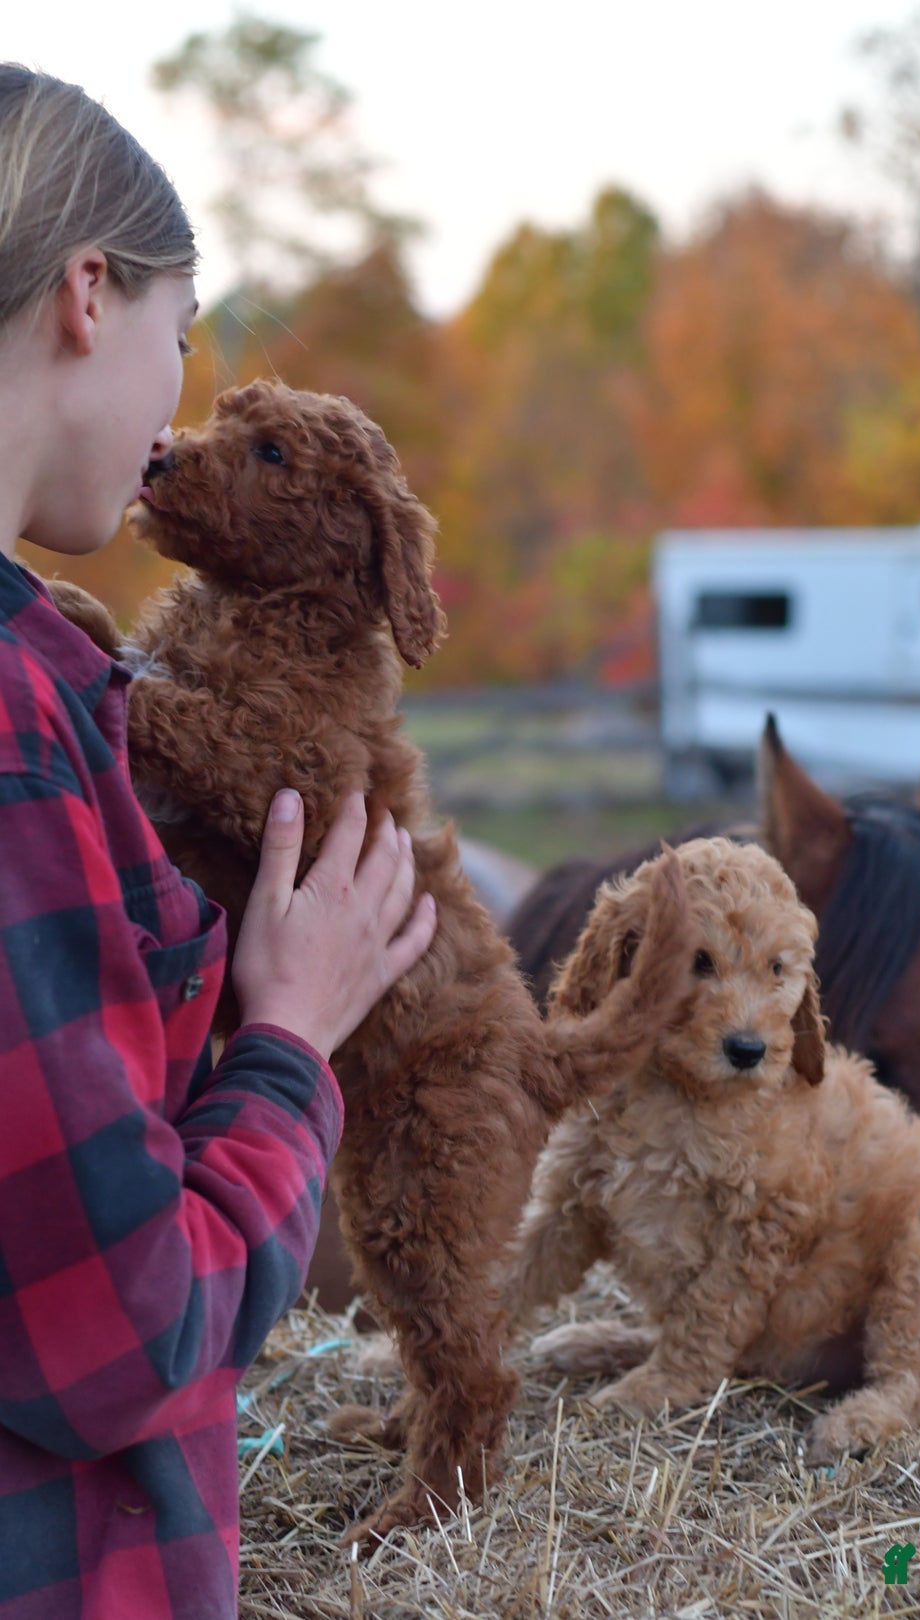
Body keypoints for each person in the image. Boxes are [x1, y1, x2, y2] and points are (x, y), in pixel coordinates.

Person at [0, 64, 437, 1620]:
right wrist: (291, 1037)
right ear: (87, 297)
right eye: (181, 338)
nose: (173, 410)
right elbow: (124, 1339)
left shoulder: (52, 670)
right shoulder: (14, 736)